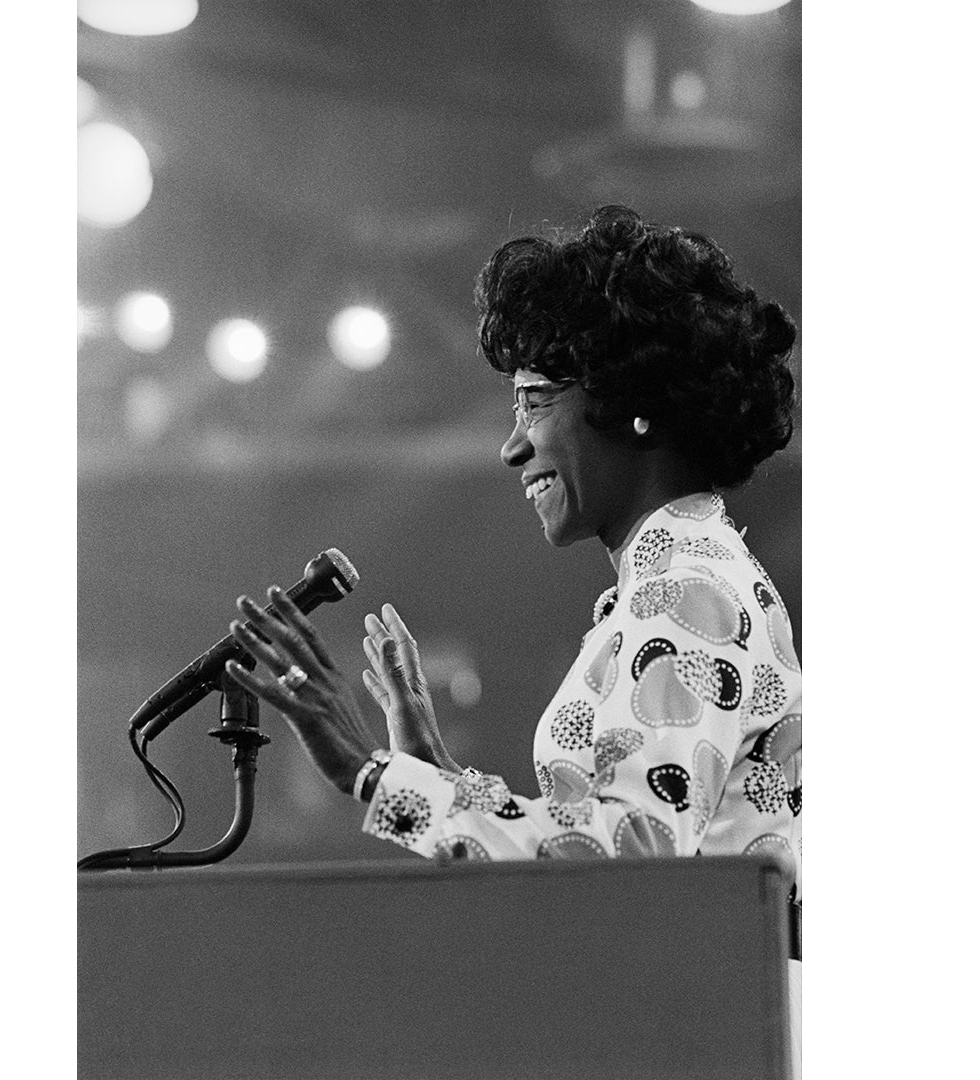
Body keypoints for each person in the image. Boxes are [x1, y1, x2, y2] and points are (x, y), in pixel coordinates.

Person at [225, 204, 800, 889]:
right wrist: (428, 767)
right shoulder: (684, 580)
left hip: (722, 996)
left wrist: (368, 771)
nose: (512, 445)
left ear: (634, 405)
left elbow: (638, 857)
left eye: (536, 400)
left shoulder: (686, 591)